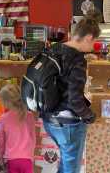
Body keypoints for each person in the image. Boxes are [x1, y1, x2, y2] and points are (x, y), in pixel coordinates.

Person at [42, 16, 100, 173]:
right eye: (94, 41)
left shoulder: (54, 49)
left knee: (65, 163)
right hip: (68, 124)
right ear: (88, 37)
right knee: (71, 169)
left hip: (49, 119)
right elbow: (75, 101)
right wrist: (90, 116)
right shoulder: (77, 60)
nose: (94, 45)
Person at [0, 84, 36, 173]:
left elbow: (1, 141)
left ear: (5, 102)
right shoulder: (29, 116)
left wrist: (2, 156)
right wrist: (31, 155)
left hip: (11, 159)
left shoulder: (3, 119)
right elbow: (33, 137)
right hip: (27, 159)